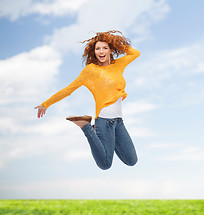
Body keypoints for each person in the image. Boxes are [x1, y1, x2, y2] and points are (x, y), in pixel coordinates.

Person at [35, 30, 140, 170]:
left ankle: (100, 137)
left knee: (132, 160)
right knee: (105, 164)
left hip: (119, 122)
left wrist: (116, 43)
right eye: (97, 48)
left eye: (105, 48)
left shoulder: (118, 65)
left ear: (110, 50)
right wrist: (45, 104)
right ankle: (86, 126)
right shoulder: (91, 71)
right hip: (104, 121)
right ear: (94, 51)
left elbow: (135, 53)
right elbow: (69, 89)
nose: (101, 51)